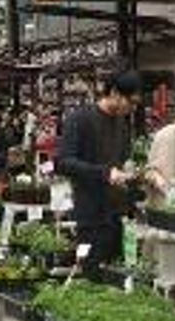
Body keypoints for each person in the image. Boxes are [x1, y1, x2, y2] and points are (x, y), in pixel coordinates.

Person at [56, 69, 142, 276]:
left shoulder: (122, 125)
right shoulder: (80, 119)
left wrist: (130, 174)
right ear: (114, 93)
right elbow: (64, 163)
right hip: (90, 216)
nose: (132, 108)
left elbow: (120, 163)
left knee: (118, 277)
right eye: (130, 102)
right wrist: (105, 173)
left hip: (118, 215)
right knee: (92, 278)